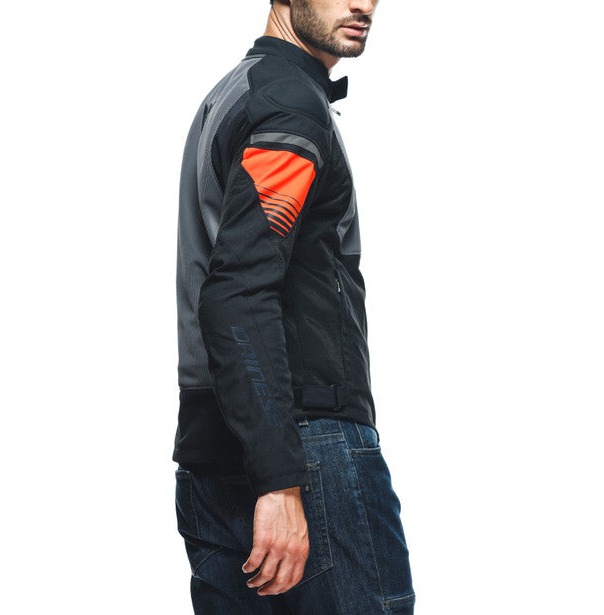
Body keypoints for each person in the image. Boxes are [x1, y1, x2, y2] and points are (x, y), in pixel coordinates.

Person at [173, 1, 415, 612]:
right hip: (304, 452)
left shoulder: (237, 93)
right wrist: (280, 479)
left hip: (218, 451)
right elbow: (237, 291)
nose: (363, 4)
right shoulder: (288, 105)